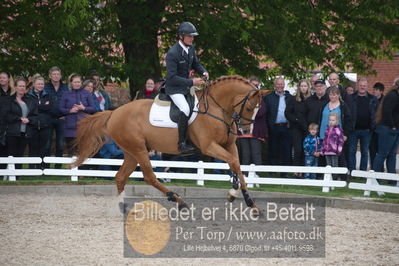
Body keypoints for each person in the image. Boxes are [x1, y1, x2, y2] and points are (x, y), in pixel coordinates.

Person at [165, 21, 208, 153]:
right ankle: (182, 143)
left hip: (186, 87)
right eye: (190, 36)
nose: (192, 38)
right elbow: (171, 78)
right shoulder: (173, 53)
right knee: (185, 108)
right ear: (181, 36)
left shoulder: (191, 49)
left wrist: (204, 71)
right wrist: (192, 82)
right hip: (174, 88)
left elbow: (196, 63)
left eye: (192, 36)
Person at [59, 74, 96, 156]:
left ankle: (84, 168)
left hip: (83, 127)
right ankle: (71, 168)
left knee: (82, 152)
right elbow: (61, 109)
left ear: (81, 83)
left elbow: (93, 108)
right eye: (75, 82)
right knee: (71, 152)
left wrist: (83, 108)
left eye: (78, 82)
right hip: (69, 128)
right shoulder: (66, 94)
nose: (77, 84)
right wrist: (70, 111)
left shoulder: (86, 93)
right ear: (71, 83)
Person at [5, 77, 38, 168]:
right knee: (11, 155)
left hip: (25, 133)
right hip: (12, 132)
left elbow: (35, 116)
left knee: (20, 155)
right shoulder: (10, 100)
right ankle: (9, 176)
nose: (22, 88)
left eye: (24, 86)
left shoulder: (30, 100)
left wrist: (29, 120)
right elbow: (7, 115)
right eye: (20, 86)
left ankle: (18, 177)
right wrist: (19, 118)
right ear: (15, 87)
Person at [237, 77, 267, 174]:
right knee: (245, 154)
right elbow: (239, 111)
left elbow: (261, 112)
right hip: (244, 129)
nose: (254, 87)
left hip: (256, 130)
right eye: (252, 84)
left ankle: (257, 176)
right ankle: (245, 175)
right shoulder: (243, 97)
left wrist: (249, 112)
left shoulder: (260, 98)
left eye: (256, 85)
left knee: (256, 154)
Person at [347, 78, 378, 172]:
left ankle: (362, 173)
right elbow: (347, 113)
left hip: (367, 130)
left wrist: (373, 126)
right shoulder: (350, 98)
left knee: (365, 152)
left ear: (367, 86)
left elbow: (377, 113)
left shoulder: (373, 98)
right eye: (360, 85)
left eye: (364, 85)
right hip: (353, 130)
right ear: (357, 86)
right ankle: (352, 172)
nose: (362, 87)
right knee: (351, 151)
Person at [264, 77, 293, 170]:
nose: (280, 86)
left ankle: (284, 171)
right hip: (273, 127)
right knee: (273, 149)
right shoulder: (268, 97)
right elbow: (266, 113)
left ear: (284, 85)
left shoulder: (290, 97)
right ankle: (272, 170)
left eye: (281, 84)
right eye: (278, 84)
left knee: (286, 150)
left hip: (286, 127)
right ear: (275, 85)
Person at [372, 78, 399, 174]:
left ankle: (392, 178)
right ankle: (374, 177)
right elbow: (387, 112)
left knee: (392, 154)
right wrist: (393, 126)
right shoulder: (393, 96)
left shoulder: (396, 95)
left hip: (394, 129)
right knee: (382, 154)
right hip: (387, 129)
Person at [285, 79, 311, 176]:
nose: (303, 88)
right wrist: (296, 120)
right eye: (302, 86)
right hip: (296, 128)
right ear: (299, 87)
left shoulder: (311, 99)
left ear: (308, 87)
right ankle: (296, 172)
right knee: (298, 150)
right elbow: (287, 113)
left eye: (305, 86)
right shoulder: (293, 99)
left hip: (308, 129)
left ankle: (305, 172)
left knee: (306, 150)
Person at [44, 66, 68, 167]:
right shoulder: (45, 87)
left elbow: (69, 102)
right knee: (47, 144)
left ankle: (58, 167)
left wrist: (67, 115)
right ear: (50, 76)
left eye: (58, 74)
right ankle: (45, 167)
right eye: (54, 74)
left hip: (61, 119)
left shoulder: (65, 87)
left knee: (60, 144)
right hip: (48, 119)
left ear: (60, 75)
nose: (56, 76)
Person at [28, 74, 53, 169]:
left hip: (45, 125)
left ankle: (42, 168)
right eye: (38, 84)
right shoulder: (28, 96)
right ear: (34, 84)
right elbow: (30, 109)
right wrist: (42, 106)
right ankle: (31, 168)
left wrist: (38, 106)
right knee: (33, 148)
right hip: (32, 125)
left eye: (42, 84)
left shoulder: (47, 95)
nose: (40, 86)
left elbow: (49, 107)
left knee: (44, 148)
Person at [321, 113, 345, 180]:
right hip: (327, 151)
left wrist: (339, 150)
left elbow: (341, 141)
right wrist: (322, 150)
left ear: (337, 121)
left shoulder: (338, 130)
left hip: (334, 151)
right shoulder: (327, 130)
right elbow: (324, 141)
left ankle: (335, 178)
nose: (331, 122)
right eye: (330, 120)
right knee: (328, 165)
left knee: (334, 166)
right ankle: (329, 178)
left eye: (333, 120)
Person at [369, 82, 385, 167]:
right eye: (374, 89)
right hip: (372, 130)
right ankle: (373, 169)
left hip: (382, 130)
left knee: (380, 151)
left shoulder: (385, 101)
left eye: (376, 90)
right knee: (372, 150)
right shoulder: (371, 100)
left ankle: (380, 170)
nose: (374, 91)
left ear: (381, 91)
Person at [0, 71, 15, 160]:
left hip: (11, 125)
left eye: (3, 77)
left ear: (8, 79)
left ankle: (8, 172)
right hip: (1, 124)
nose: (1, 79)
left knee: (9, 150)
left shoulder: (13, 93)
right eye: (0, 78)